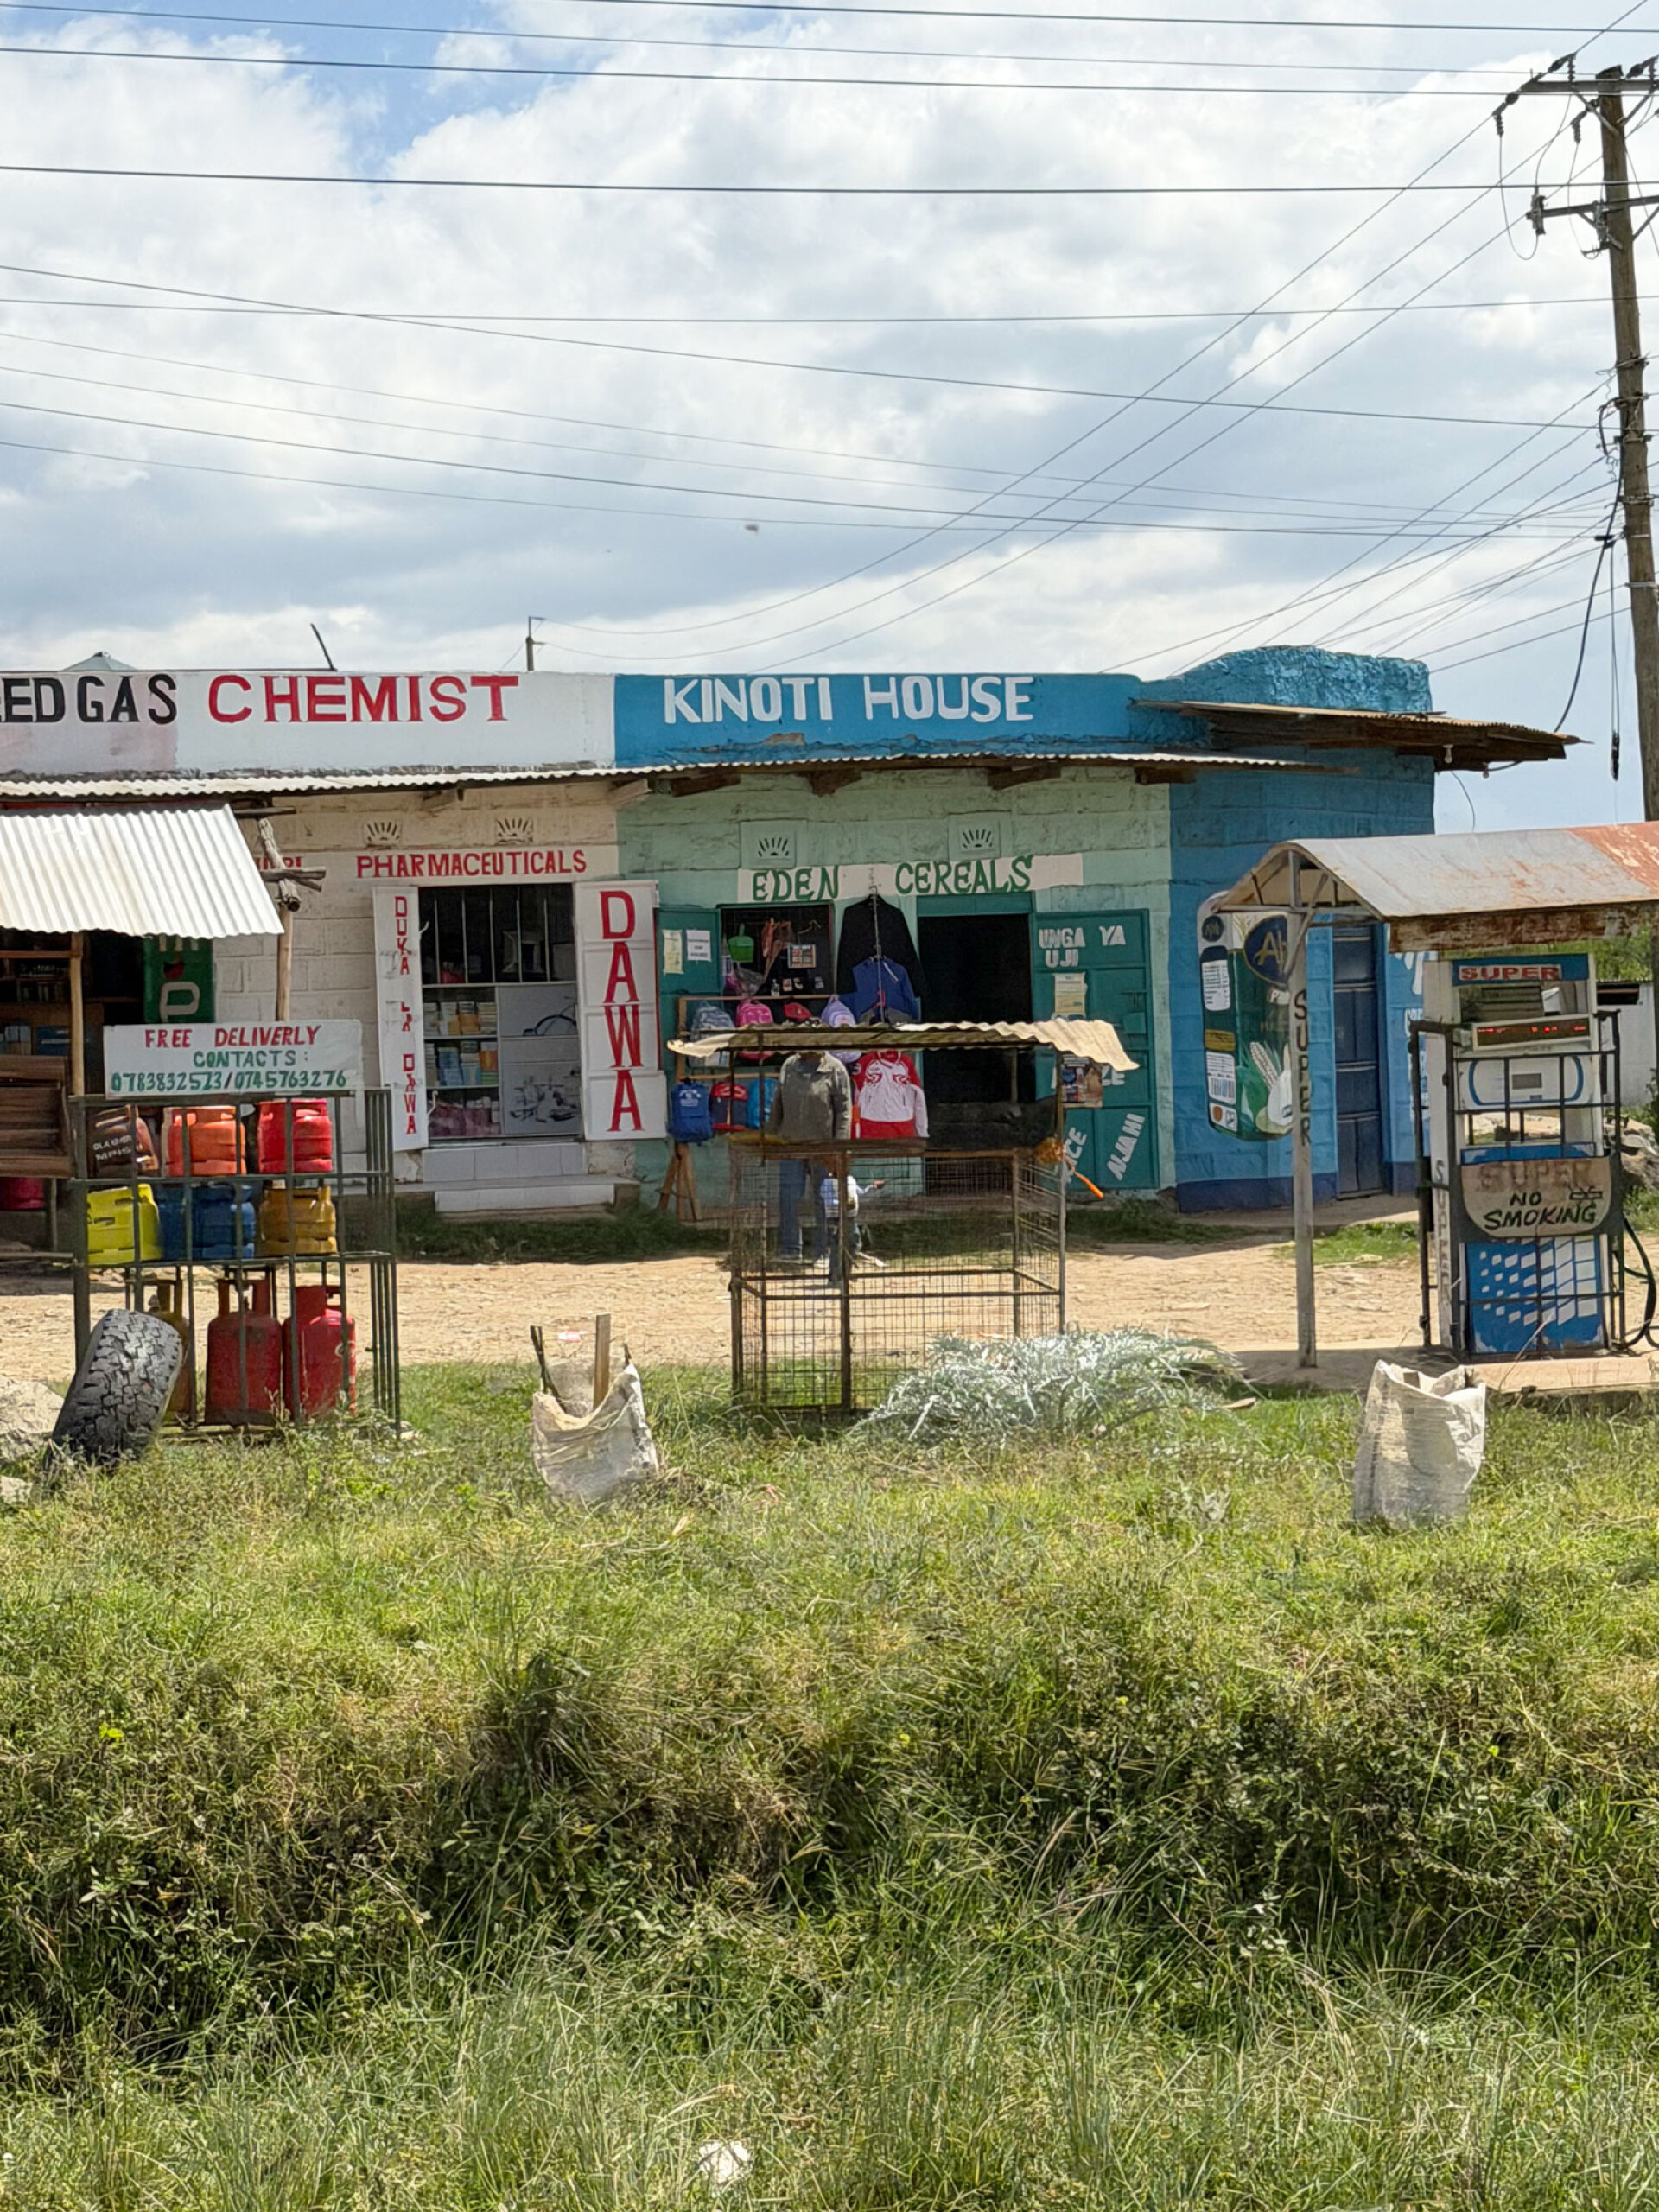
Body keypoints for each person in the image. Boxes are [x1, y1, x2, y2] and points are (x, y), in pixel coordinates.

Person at [767, 1046, 852, 1262]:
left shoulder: (835, 1069)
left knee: (824, 1200)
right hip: (791, 1145)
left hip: (824, 1148)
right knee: (788, 1197)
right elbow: (778, 1104)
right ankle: (789, 1250)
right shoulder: (789, 1066)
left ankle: (823, 1251)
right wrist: (770, 1138)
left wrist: (839, 1147)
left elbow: (843, 1110)